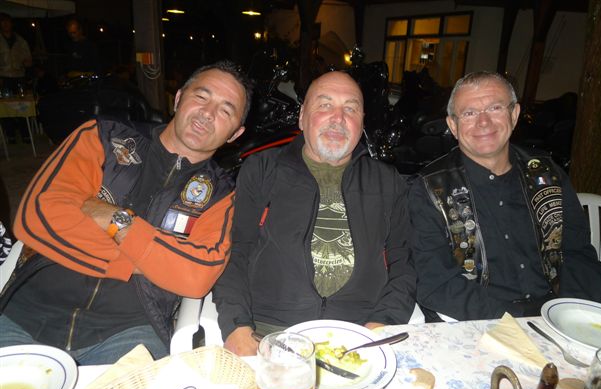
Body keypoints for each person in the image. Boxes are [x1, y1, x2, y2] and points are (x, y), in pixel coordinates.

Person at [0, 61, 252, 364]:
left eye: (225, 110)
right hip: (29, 310)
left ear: (235, 134)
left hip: (131, 331)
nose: (208, 113)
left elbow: (197, 276)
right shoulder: (103, 137)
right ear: (178, 98)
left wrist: (114, 220)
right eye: (201, 96)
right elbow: (37, 218)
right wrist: (152, 260)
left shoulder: (221, 193)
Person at [213, 71, 416, 356]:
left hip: (358, 332)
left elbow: (403, 263)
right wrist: (236, 326)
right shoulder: (262, 169)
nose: (338, 118)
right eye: (325, 105)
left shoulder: (387, 181)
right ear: (302, 117)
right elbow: (234, 250)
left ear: (362, 123)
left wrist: (382, 323)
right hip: (270, 331)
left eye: (350, 109)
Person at [409, 71, 601, 321]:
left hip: (558, 314)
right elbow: (435, 282)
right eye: (469, 113)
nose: (484, 122)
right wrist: (519, 319)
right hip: (480, 320)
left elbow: (578, 252)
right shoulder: (430, 189)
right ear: (453, 126)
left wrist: (567, 312)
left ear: (514, 115)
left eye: (495, 108)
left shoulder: (547, 175)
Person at [0, 13, 32, 93]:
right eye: (3, 21)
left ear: (12, 24)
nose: (5, 23)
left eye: (7, 21)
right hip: (3, 77)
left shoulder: (21, 41)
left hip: (19, 77)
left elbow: (28, 60)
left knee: (20, 99)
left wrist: (27, 63)